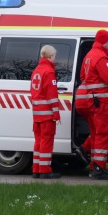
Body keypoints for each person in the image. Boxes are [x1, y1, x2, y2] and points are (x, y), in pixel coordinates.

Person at [74, 29, 108, 180]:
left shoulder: (89, 56)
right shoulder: (101, 57)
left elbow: (83, 77)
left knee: (96, 135)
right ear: (103, 41)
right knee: (102, 135)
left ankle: (94, 167)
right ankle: (100, 169)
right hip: (102, 103)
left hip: (93, 101)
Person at [30, 45, 62, 179]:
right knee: (46, 142)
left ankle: (36, 169)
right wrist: (56, 113)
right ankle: (45, 170)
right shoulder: (49, 72)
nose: (55, 58)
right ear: (50, 57)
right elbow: (52, 96)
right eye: (54, 56)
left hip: (37, 114)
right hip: (46, 114)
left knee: (38, 142)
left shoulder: (36, 70)